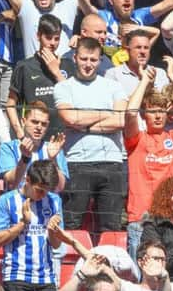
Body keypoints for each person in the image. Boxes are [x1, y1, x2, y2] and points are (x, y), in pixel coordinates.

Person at [125, 58, 173, 261]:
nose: (158, 116)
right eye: (152, 111)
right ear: (145, 115)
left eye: (161, 111)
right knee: (142, 285)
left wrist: (172, 76)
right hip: (141, 220)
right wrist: (144, 81)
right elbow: (130, 112)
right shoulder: (136, 139)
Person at [54, 37, 127, 232]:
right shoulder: (63, 87)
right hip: (77, 162)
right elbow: (70, 118)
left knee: (111, 227)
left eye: (93, 60)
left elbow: (120, 120)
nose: (88, 64)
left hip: (112, 162)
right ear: (75, 58)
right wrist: (105, 113)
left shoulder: (114, 86)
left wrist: (84, 125)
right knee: (72, 225)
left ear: (100, 60)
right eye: (84, 59)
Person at [0, 160, 65, 291]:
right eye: (39, 190)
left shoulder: (54, 201)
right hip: (16, 277)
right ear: (28, 180)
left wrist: (52, 231)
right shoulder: (7, 201)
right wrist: (23, 223)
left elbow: (56, 245)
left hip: (46, 278)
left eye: (47, 191)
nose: (43, 195)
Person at [6, 14, 75, 140]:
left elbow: (75, 99)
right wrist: (19, 132)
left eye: (56, 39)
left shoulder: (68, 65)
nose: (52, 43)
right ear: (38, 36)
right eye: (48, 38)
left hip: (62, 138)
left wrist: (56, 72)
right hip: (33, 139)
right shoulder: (24, 66)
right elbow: (11, 103)